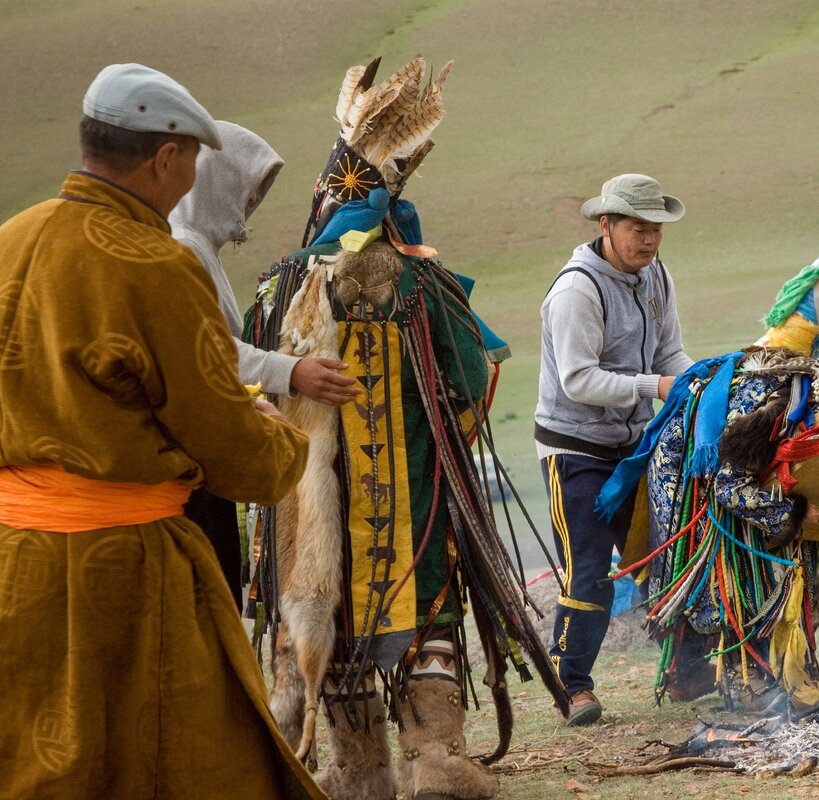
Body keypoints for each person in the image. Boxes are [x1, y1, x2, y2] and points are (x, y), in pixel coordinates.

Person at [245, 56, 567, 800]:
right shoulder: (423, 281)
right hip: (413, 497)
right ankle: (437, 759)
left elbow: (240, 372)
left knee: (328, 609)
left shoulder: (279, 283)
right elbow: (468, 378)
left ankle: (358, 769)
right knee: (424, 604)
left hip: (307, 504)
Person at [0, 63, 321, 799]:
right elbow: (236, 454)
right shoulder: (154, 266)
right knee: (176, 767)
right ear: (166, 157)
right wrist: (278, 435)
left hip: (13, 566)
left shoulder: (10, 241)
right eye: (192, 165)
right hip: (123, 579)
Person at [170, 120, 359, 609]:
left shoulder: (198, 248)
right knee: (211, 600)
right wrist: (291, 372)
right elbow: (207, 349)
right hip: (190, 465)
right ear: (216, 180)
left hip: (204, 458)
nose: (251, 204)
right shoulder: (183, 248)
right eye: (246, 190)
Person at [535, 173, 693, 725]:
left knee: (671, 556)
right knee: (588, 573)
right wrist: (656, 388)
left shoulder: (656, 276)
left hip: (636, 446)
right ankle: (573, 687)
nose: (648, 240)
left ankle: (688, 670)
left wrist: (695, 388)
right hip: (573, 451)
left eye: (656, 229)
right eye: (637, 228)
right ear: (606, 226)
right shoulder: (578, 290)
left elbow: (671, 353)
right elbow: (579, 380)